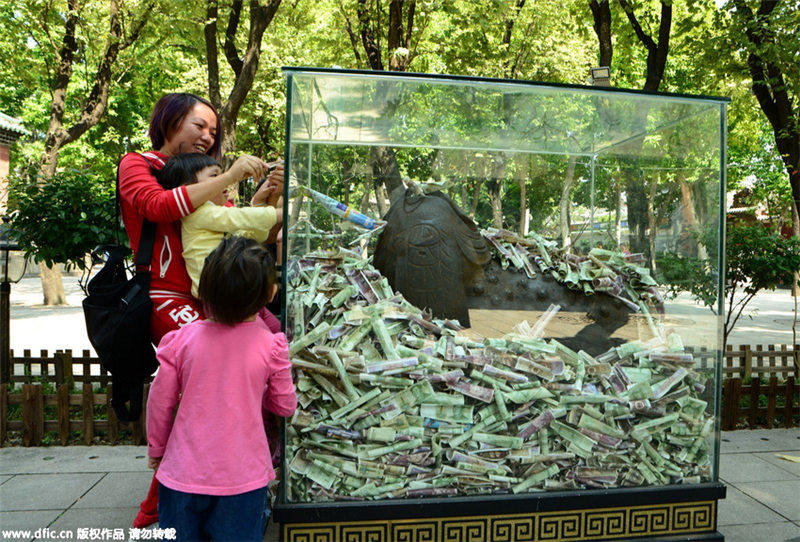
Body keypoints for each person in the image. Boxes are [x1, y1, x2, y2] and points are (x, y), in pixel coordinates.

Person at [118, 92, 283, 528]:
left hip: (210, 298)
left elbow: (233, 229)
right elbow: (158, 206)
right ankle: (167, 497)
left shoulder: (204, 178)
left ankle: (203, 487)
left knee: (213, 390)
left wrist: (263, 195)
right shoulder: (139, 165)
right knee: (206, 385)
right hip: (168, 298)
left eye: (213, 130)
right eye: (199, 125)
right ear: (169, 121)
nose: (207, 135)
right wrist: (228, 175)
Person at [146, 236, 297, 541]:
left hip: (181, 476)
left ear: (203, 290)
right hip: (244, 479)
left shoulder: (181, 340)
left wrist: (157, 448)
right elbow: (285, 406)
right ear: (270, 293)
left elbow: (159, 400)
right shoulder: (272, 345)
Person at [154, 152, 282, 298]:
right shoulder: (197, 213)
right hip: (217, 297)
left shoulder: (215, 213)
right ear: (188, 188)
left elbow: (253, 235)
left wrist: (260, 205)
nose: (223, 181)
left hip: (228, 293)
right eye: (215, 176)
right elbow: (238, 218)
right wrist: (278, 214)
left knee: (272, 322)